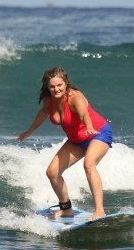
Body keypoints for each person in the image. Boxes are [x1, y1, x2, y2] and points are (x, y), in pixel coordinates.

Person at [16, 67, 113, 221]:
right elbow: (43, 113)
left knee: (89, 165)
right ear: (47, 87)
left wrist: (88, 127)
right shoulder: (49, 100)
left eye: (59, 85)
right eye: (52, 86)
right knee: (52, 172)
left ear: (66, 84)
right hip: (76, 140)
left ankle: (99, 211)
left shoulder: (75, 97)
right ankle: (66, 209)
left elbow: (83, 113)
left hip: (97, 133)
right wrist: (28, 132)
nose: (56, 89)